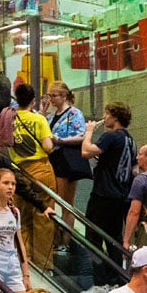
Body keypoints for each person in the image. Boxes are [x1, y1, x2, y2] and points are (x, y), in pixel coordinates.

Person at [80, 102, 136, 293]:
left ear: (114, 117)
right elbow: (132, 168)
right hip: (120, 196)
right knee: (114, 240)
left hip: (103, 195)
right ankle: (116, 281)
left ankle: (100, 282)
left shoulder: (110, 136)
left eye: (107, 114)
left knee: (93, 237)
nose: (105, 118)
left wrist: (88, 132)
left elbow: (86, 152)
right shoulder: (130, 140)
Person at [6, 83, 57, 272]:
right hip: (41, 170)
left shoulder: (7, 117)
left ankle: (23, 261)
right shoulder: (38, 119)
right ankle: (44, 266)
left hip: (18, 172)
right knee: (43, 217)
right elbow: (47, 146)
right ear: (33, 101)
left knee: (21, 217)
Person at [45, 82, 89, 221]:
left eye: (54, 95)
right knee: (55, 197)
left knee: (65, 202)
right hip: (54, 157)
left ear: (64, 96)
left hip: (66, 158)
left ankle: (65, 237)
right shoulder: (51, 116)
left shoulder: (74, 113)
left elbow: (81, 135)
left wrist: (62, 140)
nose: (51, 99)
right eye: (49, 95)